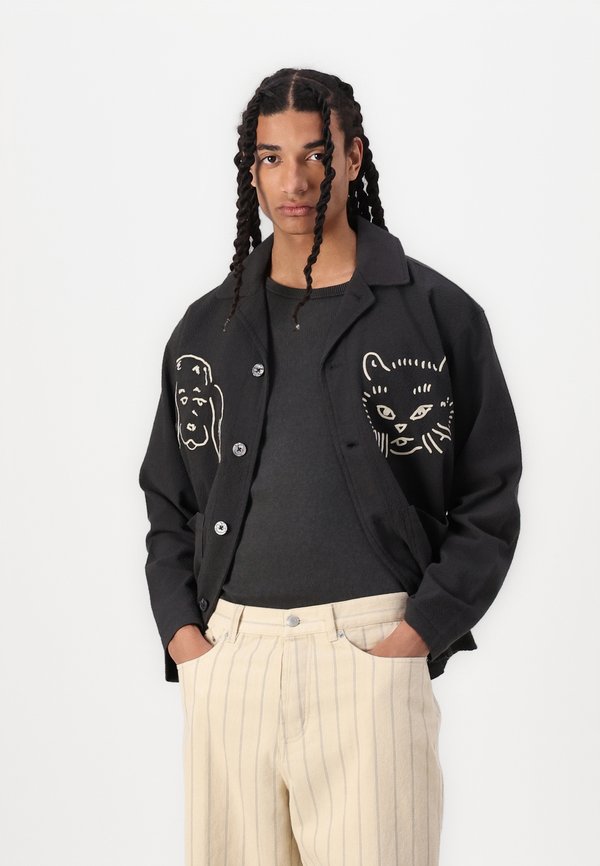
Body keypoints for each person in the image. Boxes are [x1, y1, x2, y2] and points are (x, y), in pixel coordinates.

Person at [138, 67, 522, 866]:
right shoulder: (206, 327)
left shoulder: (435, 313)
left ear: (353, 156)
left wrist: (418, 634)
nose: (295, 181)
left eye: (315, 154)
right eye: (271, 158)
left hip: (372, 657)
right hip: (231, 660)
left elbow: (489, 496)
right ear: (250, 170)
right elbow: (168, 499)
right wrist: (185, 640)